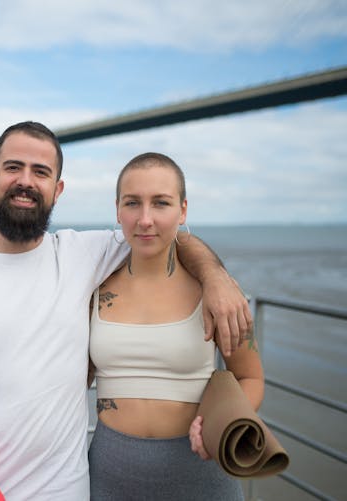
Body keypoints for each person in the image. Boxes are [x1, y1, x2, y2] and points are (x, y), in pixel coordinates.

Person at [0, 122, 252, 501]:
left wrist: (215, 277)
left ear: (58, 189)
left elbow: (163, 233)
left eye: (41, 172)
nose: (25, 181)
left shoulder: (82, 254)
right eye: (14, 167)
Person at [88, 152, 264, 500]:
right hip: (110, 474)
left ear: (183, 210)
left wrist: (222, 425)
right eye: (133, 203)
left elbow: (251, 377)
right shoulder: (93, 288)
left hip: (201, 473)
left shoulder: (218, 296)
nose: (145, 219)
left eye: (161, 203)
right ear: (117, 210)